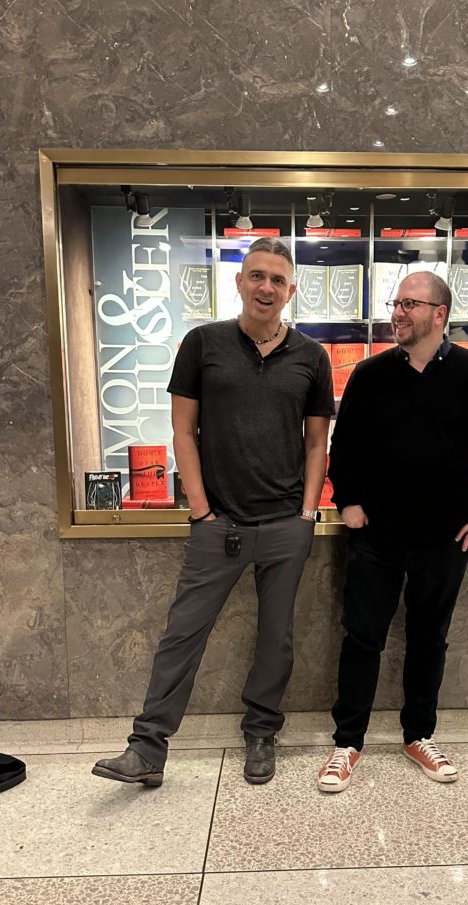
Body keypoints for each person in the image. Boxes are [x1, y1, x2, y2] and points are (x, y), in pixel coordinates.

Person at [93, 238, 334, 787]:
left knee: (276, 637)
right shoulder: (203, 344)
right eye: (257, 276)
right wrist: (201, 511)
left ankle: (261, 733)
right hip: (217, 524)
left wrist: (307, 513)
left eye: (277, 279)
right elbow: (183, 431)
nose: (266, 287)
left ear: (291, 291)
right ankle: (147, 748)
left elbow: (317, 442)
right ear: (239, 281)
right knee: (182, 633)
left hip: (285, 524)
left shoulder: (312, 357)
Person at [317, 271, 468, 793]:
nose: (398, 312)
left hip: (445, 537)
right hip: (376, 537)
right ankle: (347, 742)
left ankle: (418, 735)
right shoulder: (370, 375)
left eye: (410, 304)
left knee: (429, 638)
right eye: (396, 303)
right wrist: (348, 501)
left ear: (440, 314)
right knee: (362, 637)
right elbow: (344, 448)